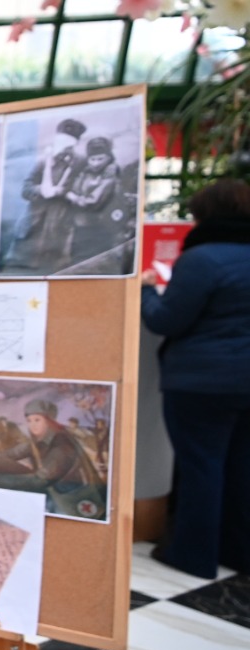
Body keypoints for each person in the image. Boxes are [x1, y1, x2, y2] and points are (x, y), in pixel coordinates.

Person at [141, 178, 250, 578]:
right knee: (241, 467)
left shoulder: (202, 260)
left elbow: (168, 319)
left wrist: (146, 293)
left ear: (205, 215)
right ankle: (237, 552)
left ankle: (193, 553)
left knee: (201, 465)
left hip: (202, 381)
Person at [0, 399, 107, 521]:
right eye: (29, 420)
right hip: (55, 493)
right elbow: (14, 453)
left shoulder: (61, 445)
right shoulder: (40, 441)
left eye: (37, 420)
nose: (32, 425)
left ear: (48, 421)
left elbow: (39, 480)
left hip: (70, 499)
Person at [3, 118, 85, 273]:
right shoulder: (43, 161)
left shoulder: (80, 162)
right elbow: (26, 189)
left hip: (57, 236)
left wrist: (65, 193)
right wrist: (41, 190)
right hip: (30, 232)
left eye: (69, 144)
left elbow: (84, 192)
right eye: (61, 141)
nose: (64, 148)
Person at [64, 136, 122, 268]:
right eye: (92, 159)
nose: (96, 163)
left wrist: (73, 197)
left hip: (99, 229)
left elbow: (93, 202)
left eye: (100, 159)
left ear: (108, 157)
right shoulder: (85, 172)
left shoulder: (111, 175)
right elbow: (74, 187)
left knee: (94, 267)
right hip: (80, 227)